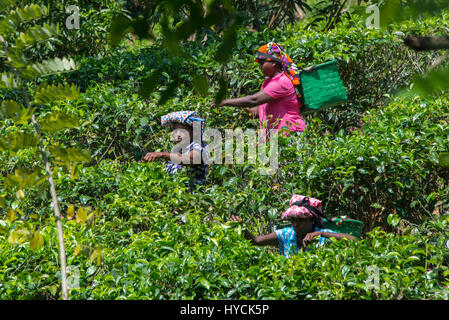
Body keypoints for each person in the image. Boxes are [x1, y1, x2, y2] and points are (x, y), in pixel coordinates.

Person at [213, 42, 307, 141]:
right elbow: (258, 109)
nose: (260, 66)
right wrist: (240, 111)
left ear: (274, 62)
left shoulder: (281, 82)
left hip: (291, 133)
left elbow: (254, 100)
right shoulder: (267, 83)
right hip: (277, 137)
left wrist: (224, 102)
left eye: (262, 62)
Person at [229, 195, 356, 258]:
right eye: (293, 220)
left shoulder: (322, 235)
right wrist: (241, 227)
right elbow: (255, 241)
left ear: (312, 221)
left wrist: (321, 234)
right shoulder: (286, 234)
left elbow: (354, 240)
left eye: (301, 220)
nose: (295, 224)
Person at [143, 110, 209, 191]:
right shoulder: (179, 150)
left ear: (193, 131)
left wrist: (162, 155)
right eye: (175, 130)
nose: (177, 135)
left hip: (193, 199)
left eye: (182, 131)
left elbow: (192, 159)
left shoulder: (197, 146)